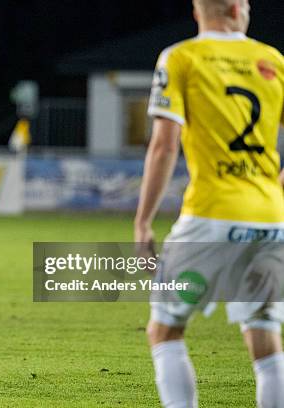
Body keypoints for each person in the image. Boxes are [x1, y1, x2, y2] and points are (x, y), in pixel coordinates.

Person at [134, 0, 284, 406]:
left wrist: (143, 222)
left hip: (210, 216)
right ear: (237, 10)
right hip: (271, 218)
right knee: (265, 337)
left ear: (199, 12)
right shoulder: (272, 60)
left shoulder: (181, 57)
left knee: (165, 330)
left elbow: (165, 146)